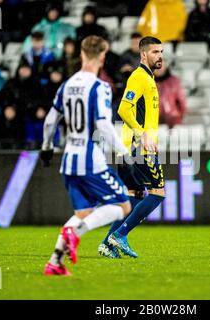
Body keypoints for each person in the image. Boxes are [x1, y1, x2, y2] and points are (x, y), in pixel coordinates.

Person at [40, 35, 132, 276]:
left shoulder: (67, 85)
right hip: (91, 161)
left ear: (81, 54)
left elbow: (51, 120)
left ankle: (55, 263)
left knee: (83, 214)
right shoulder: (100, 87)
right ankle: (75, 234)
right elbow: (102, 123)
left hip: (69, 160)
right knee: (123, 205)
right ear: (102, 57)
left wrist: (47, 146)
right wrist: (123, 153)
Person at [99, 37, 166, 259]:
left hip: (128, 149)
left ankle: (107, 244)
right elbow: (123, 110)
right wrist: (142, 133)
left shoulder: (147, 78)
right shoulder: (139, 77)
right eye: (155, 51)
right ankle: (120, 235)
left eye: (161, 51)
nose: (160, 56)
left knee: (136, 196)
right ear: (143, 55)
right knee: (158, 193)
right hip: (139, 148)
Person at [155, 61, 187, 128]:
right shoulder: (147, 82)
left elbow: (182, 103)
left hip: (173, 122)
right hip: (153, 122)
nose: (159, 68)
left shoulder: (174, 81)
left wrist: (177, 117)